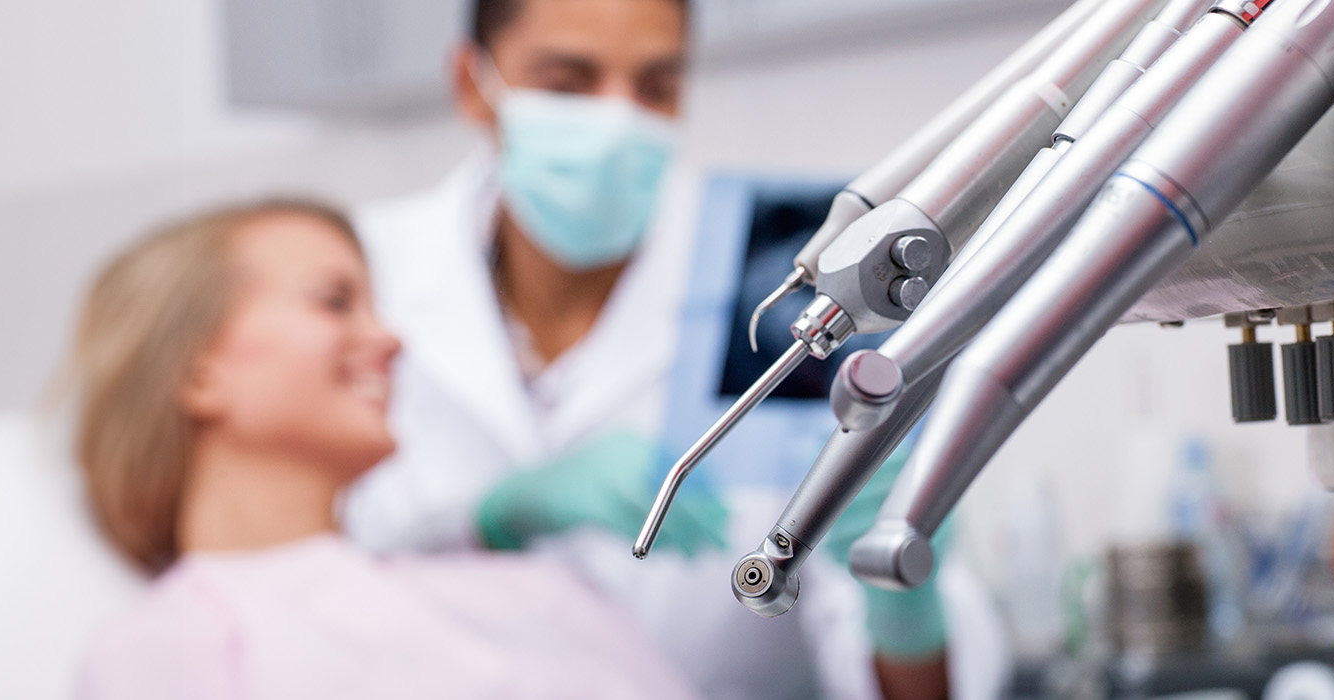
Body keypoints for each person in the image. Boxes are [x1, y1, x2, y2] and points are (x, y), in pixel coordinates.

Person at [340, 1, 1003, 699]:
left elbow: (922, 687)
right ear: (473, 85)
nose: (618, 120)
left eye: (655, 86)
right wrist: (484, 519)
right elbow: (282, 584)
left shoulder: (785, 290)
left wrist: (898, 601)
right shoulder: (357, 278)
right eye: (568, 82)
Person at [68, 201, 700, 700]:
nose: (391, 340)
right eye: (334, 301)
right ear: (197, 372)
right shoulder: (163, 646)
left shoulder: (540, 594)